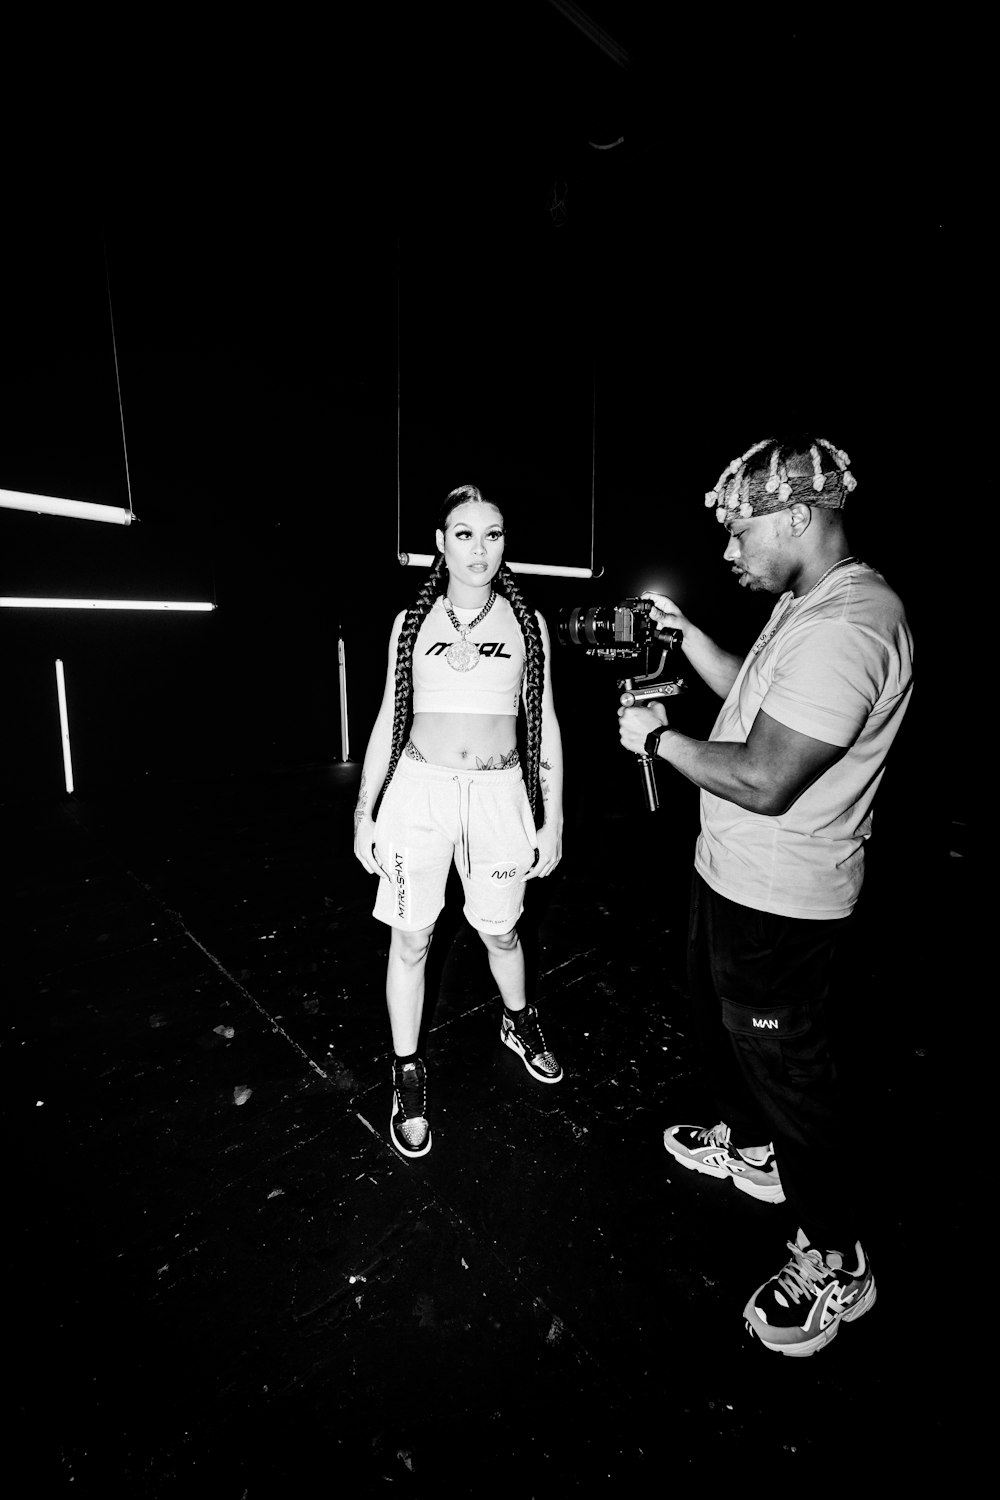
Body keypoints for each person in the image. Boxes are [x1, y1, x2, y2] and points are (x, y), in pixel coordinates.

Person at [618, 435, 913, 1356]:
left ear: (796, 518)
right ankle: (748, 1149)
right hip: (731, 881)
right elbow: (752, 697)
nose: (728, 550)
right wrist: (687, 639)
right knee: (725, 1032)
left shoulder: (852, 627)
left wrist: (657, 741)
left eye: (741, 532)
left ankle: (836, 1261)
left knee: (794, 1080)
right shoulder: (808, 603)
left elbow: (765, 775)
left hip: (782, 905)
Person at [354, 484, 565, 1159]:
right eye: (465, 534)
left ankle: (517, 1019)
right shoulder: (410, 624)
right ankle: (407, 1070)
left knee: (501, 933)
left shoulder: (526, 624)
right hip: (419, 792)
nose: (480, 548)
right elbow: (389, 717)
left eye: (494, 534)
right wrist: (367, 810)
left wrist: (549, 816)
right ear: (441, 545)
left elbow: (546, 722)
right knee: (411, 940)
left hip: (500, 794)